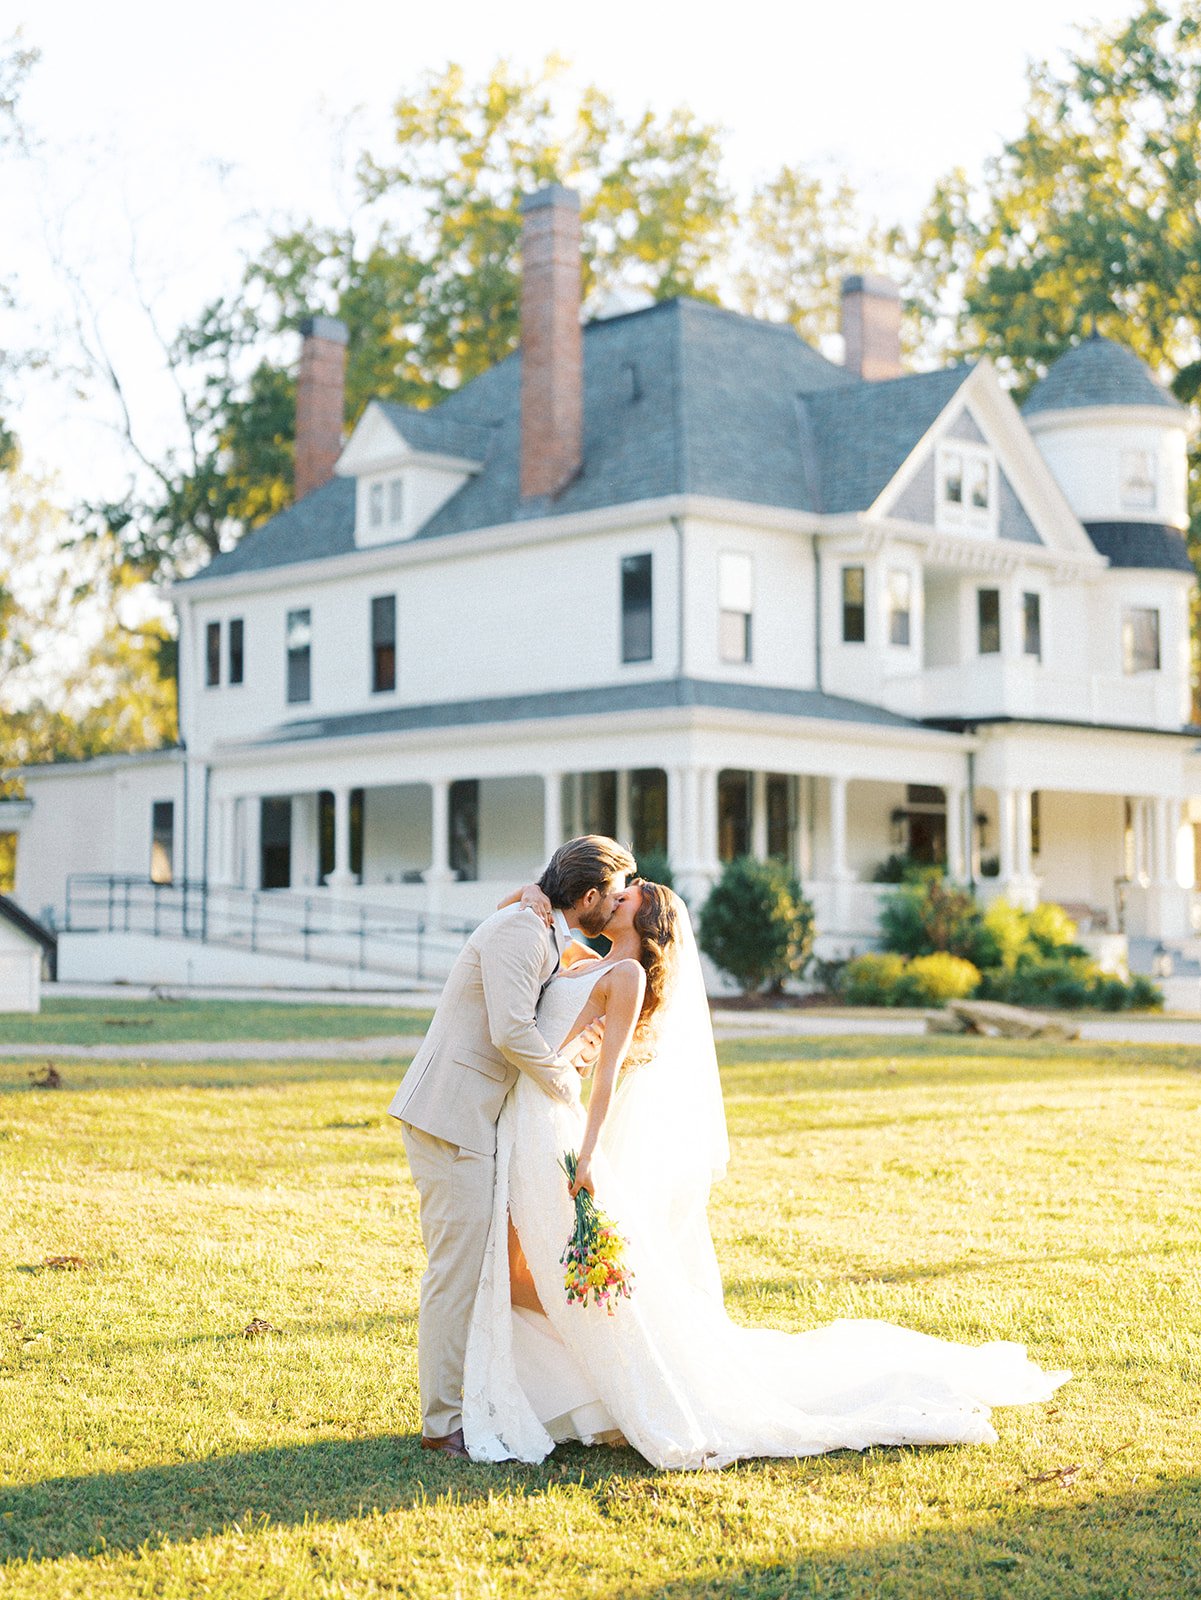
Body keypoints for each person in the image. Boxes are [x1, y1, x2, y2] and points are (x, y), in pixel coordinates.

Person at [462, 881, 1070, 1470]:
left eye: (629, 897)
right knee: (526, 1268)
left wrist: (590, 1151)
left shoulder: (628, 977)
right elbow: (523, 919)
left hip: (562, 1136)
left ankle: (605, 1389)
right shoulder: (579, 958)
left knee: (553, 1267)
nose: (616, 896)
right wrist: (535, 893)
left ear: (647, 924)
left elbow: (607, 1075)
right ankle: (572, 1388)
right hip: (531, 1127)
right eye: (617, 892)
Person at [387, 835, 635, 1459]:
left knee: (478, 1271)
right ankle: (442, 1426)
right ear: (586, 897)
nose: (617, 903)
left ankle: (480, 1400)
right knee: (455, 1275)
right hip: (450, 1118)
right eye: (613, 893)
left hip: (477, 1122)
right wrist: (562, 1084)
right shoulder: (523, 932)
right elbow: (510, 1030)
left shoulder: (543, 930)